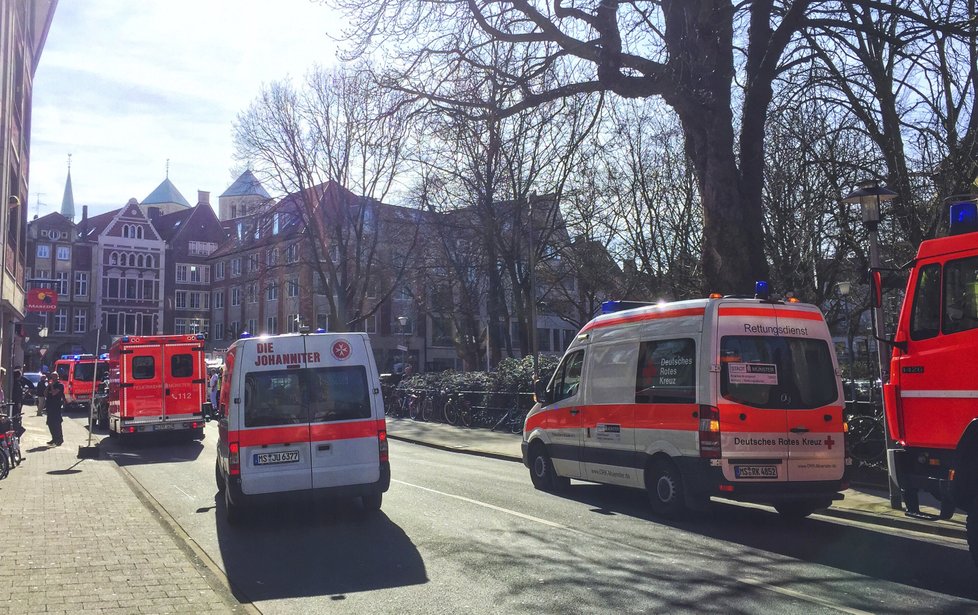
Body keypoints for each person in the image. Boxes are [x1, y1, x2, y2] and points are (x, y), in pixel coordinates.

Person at [44, 372, 66, 446]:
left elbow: (54, 393)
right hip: (49, 407)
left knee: (57, 423)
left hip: (56, 407)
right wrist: (48, 387)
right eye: (52, 377)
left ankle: (60, 439)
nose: (53, 378)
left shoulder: (60, 385)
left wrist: (52, 386)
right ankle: (54, 438)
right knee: (50, 423)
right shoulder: (50, 385)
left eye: (54, 377)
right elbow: (45, 394)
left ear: (57, 377)